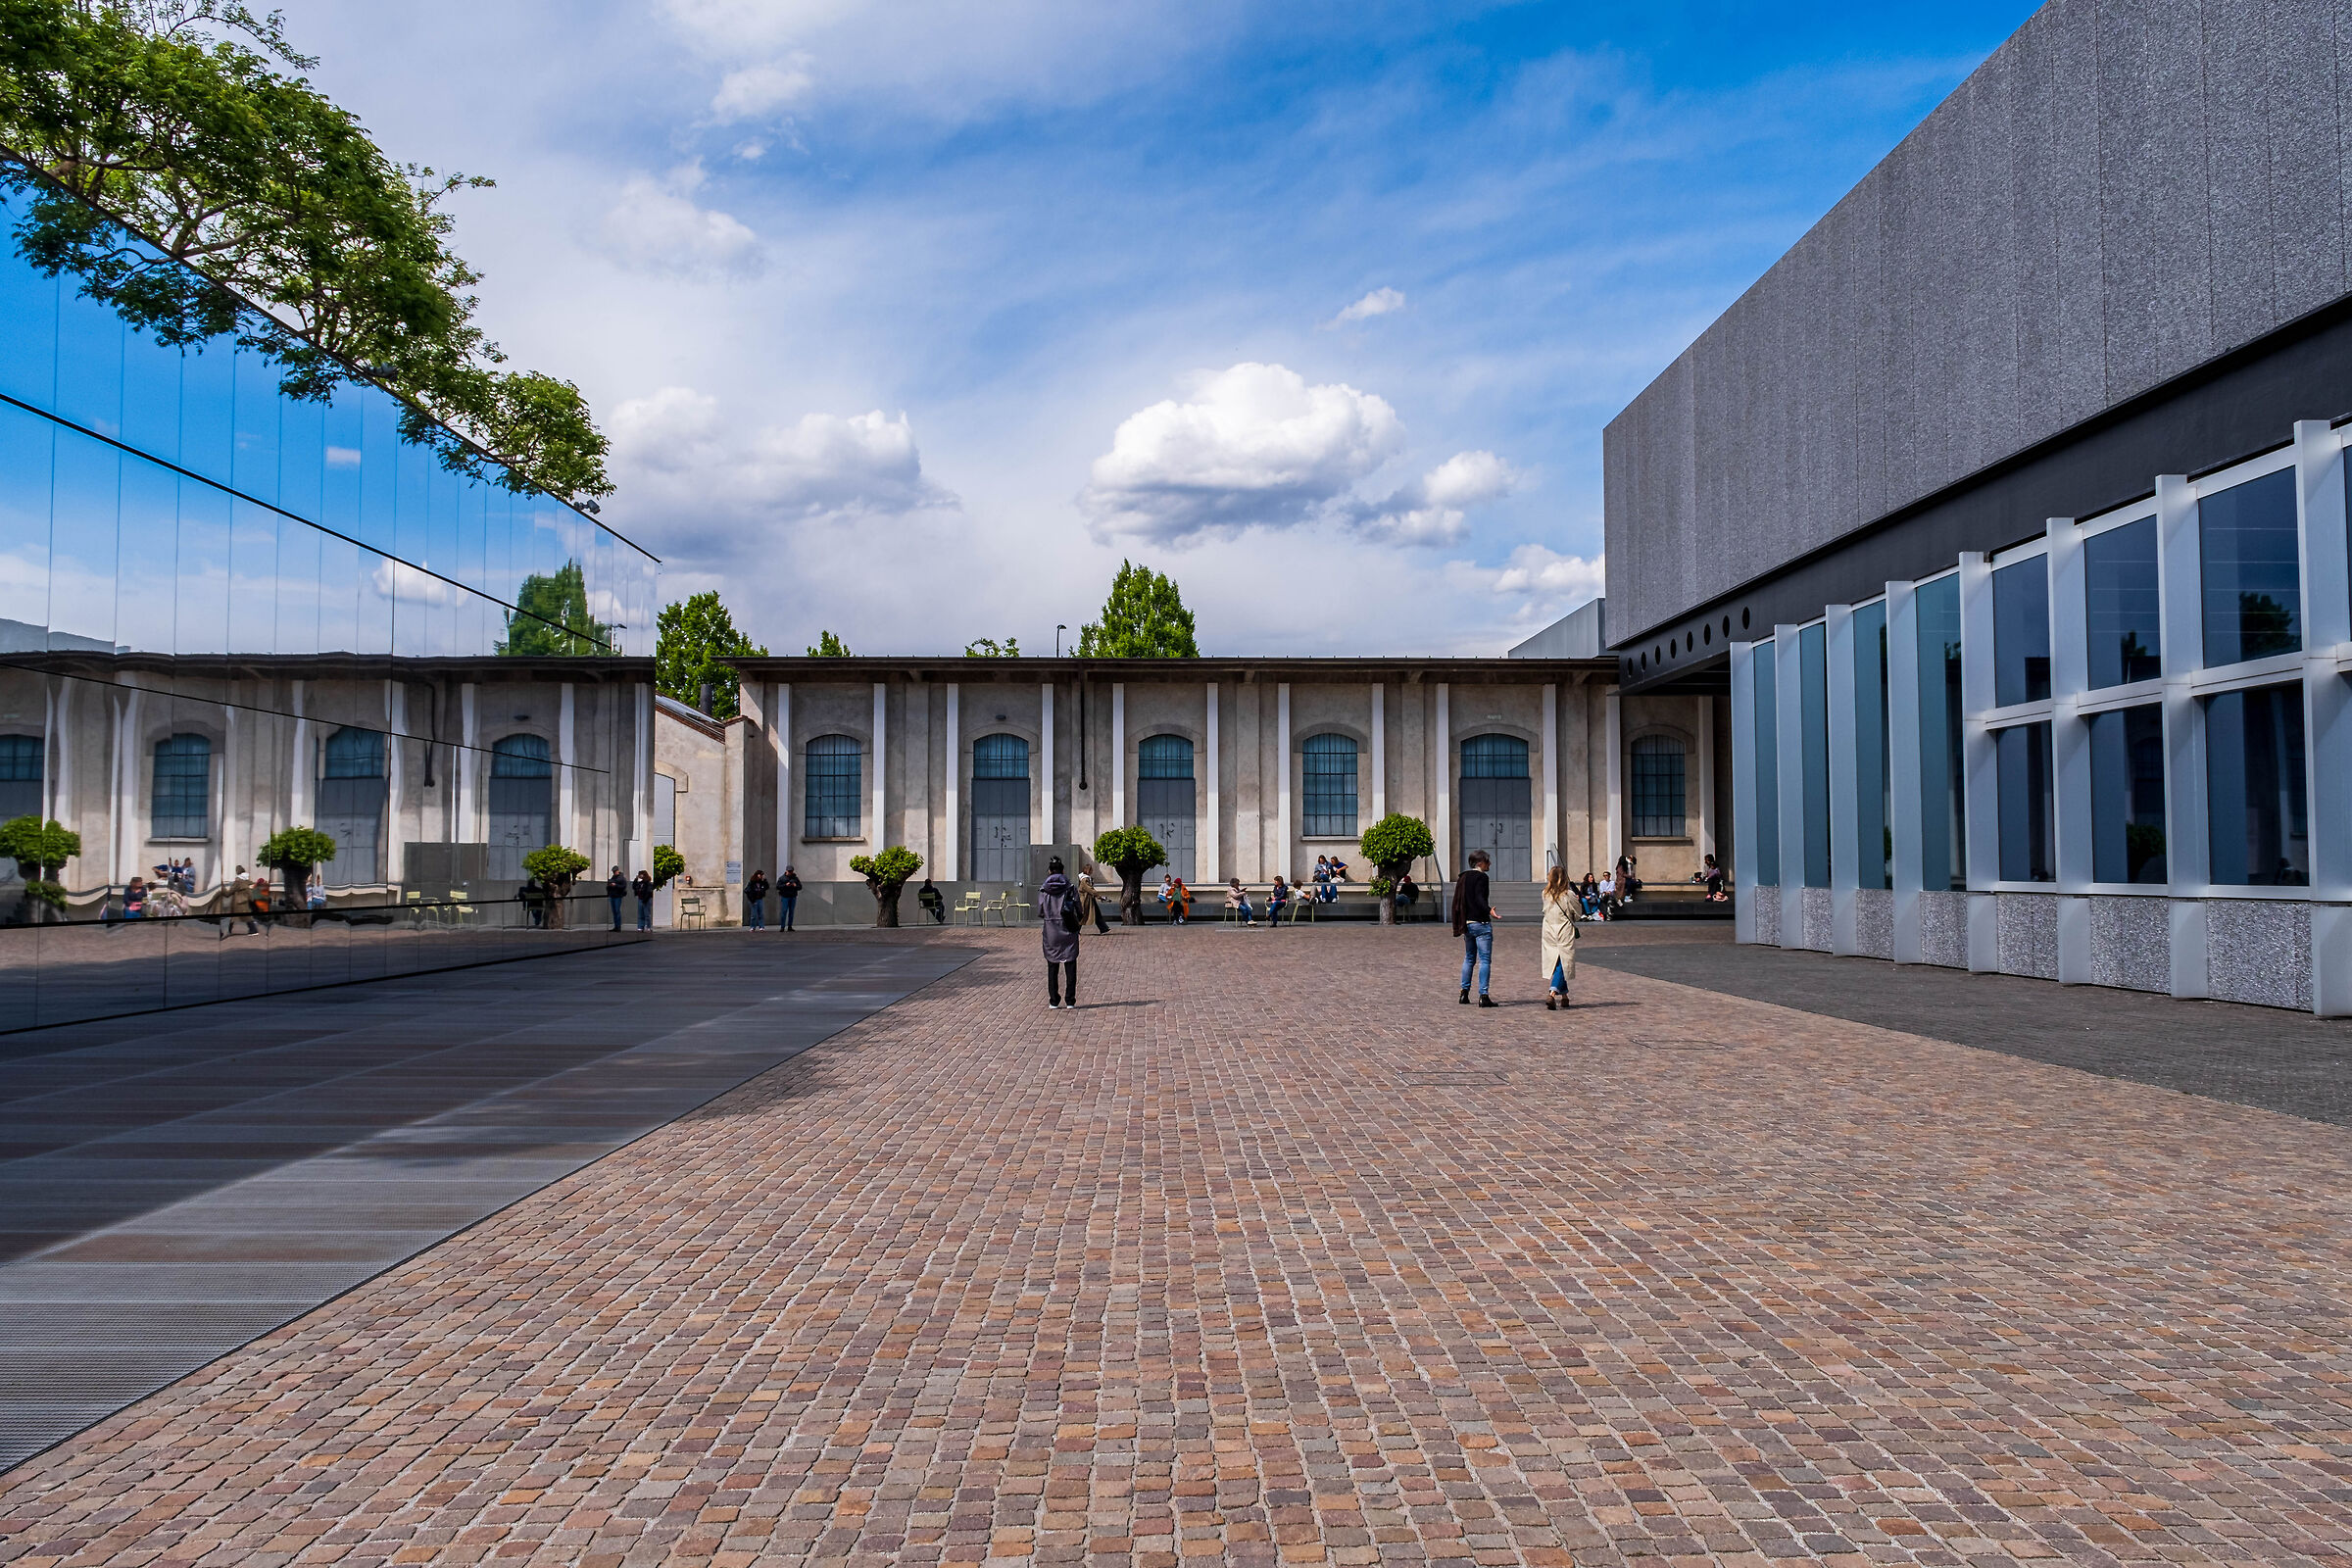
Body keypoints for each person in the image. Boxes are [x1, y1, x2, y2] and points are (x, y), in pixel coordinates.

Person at [1037, 856, 1081, 1008]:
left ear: (1049, 871)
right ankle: (1070, 1000)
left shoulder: (1044, 889)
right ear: (1063, 871)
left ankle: (1054, 1000)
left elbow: (1040, 911)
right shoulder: (1070, 887)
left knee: (1052, 965)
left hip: (1051, 931)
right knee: (1070, 963)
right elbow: (1078, 908)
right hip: (1068, 928)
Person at [1453, 850, 1495, 1006]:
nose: (1489, 864)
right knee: (1484, 960)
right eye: (1487, 861)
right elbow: (1479, 897)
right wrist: (1489, 910)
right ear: (1479, 863)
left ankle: (1464, 993)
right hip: (1481, 923)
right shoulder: (1482, 877)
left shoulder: (1463, 877)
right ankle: (1483, 995)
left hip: (1467, 923)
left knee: (1469, 958)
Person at [1541, 865, 1580, 1010]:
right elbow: (1578, 913)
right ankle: (1552, 992)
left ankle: (1564, 996)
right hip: (1564, 930)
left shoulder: (1545, 893)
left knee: (1557, 960)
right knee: (1564, 961)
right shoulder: (1568, 894)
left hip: (1549, 930)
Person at [1078, 865, 1112, 934]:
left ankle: (1103, 928)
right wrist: (1099, 896)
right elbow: (1090, 889)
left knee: (1096, 914)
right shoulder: (1085, 880)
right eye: (1091, 870)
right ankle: (1076, 930)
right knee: (1083, 915)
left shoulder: (1087, 879)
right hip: (1085, 900)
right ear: (1088, 870)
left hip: (1090, 899)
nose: (1092, 871)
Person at [777, 865, 802, 930]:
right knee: (784, 911)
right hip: (785, 897)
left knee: (791, 912)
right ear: (786, 871)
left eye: (791, 871)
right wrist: (785, 885)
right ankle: (782, 927)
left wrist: (795, 885)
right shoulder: (782, 878)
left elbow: (800, 887)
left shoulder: (795, 878)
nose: (790, 872)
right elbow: (778, 886)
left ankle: (789, 926)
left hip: (793, 896)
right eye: (789, 871)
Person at [607, 865, 627, 930]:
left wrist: (615, 885)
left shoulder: (622, 878)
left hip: (618, 896)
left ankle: (618, 926)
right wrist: (610, 886)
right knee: (614, 912)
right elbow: (608, 887)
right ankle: (616, 926)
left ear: (618, 871)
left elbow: (623, 886)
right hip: (612, 895)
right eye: (613, 872)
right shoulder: (613, 878)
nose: (614, 872)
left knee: (617, 911)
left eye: (615, 871)